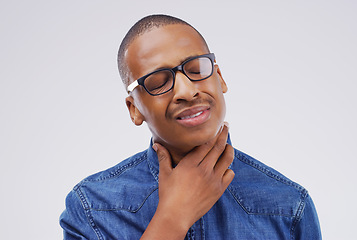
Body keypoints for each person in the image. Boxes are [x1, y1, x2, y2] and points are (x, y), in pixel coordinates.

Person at [60, 14, 321, 239]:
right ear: (134, 109)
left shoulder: (290, 206)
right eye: (158, 81)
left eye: (196, 69)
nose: (187, 91)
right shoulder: (90, 207)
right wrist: (172, 218)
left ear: (219, 78)